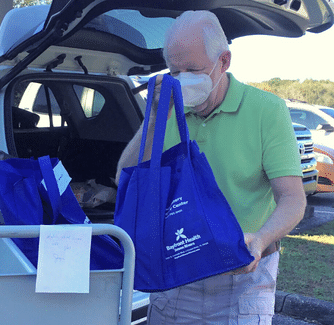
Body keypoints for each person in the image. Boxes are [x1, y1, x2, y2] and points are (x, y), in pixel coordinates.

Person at [116, 10, 306, 324]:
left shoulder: (266, 110)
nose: (182, 78)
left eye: (193, 69)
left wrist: (259, 240)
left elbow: (293, 199)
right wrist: (152, 122)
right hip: (177, 274)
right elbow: (125, 179)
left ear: (224, 61)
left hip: (242, 277)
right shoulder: (167, 112)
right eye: (174, 70)